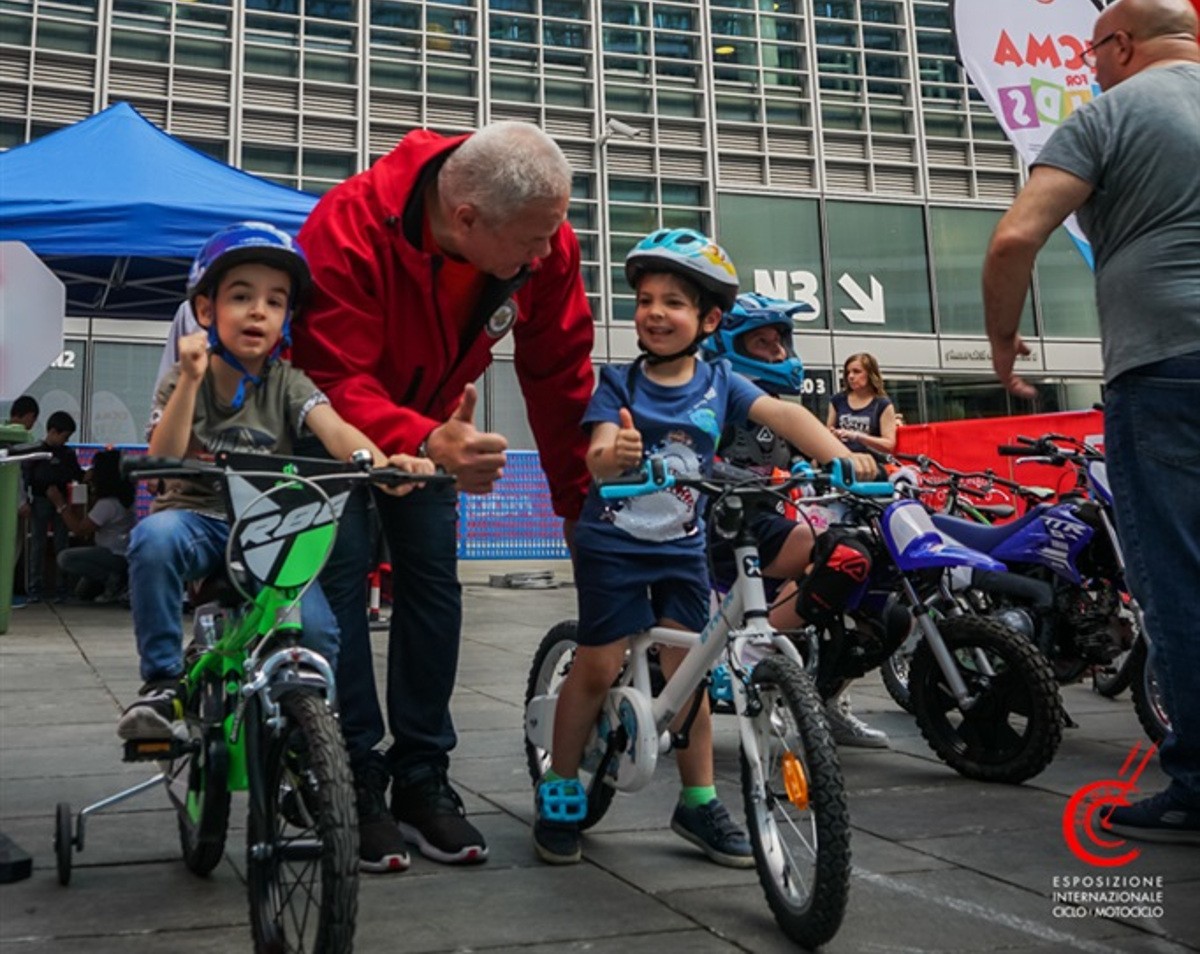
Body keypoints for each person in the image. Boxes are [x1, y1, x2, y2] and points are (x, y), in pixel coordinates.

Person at [291, 120, 594, 873]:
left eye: (549, 238)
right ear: (465, 219)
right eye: (529, 243)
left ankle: (421, 776)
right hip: (334, 431)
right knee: (341, 580)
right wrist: (424, 439)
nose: (543, 255)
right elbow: (332, 371)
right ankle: (353, 771)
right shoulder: (347, 226)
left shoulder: (540, 237)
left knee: (433, 588)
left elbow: (559, 372)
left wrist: (580, 505)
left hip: (432, 428)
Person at [532, 229, 876, 866]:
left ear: (709, 319)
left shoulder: (721, 382)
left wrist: (841, 455)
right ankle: (558, 783)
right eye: (645, 299)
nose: (655, 312)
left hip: (681, 544)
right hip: (613, 541)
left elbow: (786, 416)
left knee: (684, 663)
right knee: (601, 661)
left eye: (674, 302)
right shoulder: (619, 385)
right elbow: (598, 453)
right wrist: (617, 455)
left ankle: (696, 801)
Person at [982, 0, 1200, 843]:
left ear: (1121, 45)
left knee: (1180, 578)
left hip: (1167, 369)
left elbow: (1013, 240)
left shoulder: (1112, 113)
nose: (1089, 70)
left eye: (1091, 54)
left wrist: (1004, 346)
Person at [117, 221, 433, 741]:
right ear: (205, 311)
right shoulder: (184, 376)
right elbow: (162, 455)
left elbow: (336, 431)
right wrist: (191, 380)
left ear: (287, 317)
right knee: (153, 539)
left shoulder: (289, 383)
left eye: (275, 301)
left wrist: (383, 465)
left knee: (317, 629)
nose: (258, 311)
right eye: (241, 296)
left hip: (268, 532)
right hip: (196, 520)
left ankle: (308, 743)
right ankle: (162, 682)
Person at [702, 295, 890, 748]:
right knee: (839, 555)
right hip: (721, 529)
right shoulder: (717, 388)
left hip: (763, 524)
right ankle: (746, 650)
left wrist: (850, 466)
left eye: (780, 341)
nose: (779, 353)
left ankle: (823, 701)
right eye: (763, 342)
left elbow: (802, 433)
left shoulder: (769, 399)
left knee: (884, 604)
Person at [46, 449, 136, 603]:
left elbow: (80, 529)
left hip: (112, 555)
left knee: (65, 558)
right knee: (82, 592)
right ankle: (114, 581)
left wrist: (60, 504)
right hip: (120, 554)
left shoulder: (107, 505)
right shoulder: (124, 499)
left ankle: (113, 580)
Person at [22, 410, 83, 602]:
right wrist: (26, 501)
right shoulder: (37, 452)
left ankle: (62, 587)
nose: (65, 441)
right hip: (40, 500)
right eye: (64, 437)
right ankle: (35, 586)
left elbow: (78, 475)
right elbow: (26, 479)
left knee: (61, 544)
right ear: (53, 431)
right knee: (37, 545)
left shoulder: (67, 454)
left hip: (61, 501)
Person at [826, 353, 897, 456]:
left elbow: (889, 445)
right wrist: (832, 434)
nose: (850, 376)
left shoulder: (882, 404)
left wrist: (857, 436)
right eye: (847, 372)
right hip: (842, 461)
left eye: (856, 372)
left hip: (871, 464)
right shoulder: (837, 400)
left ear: (870, 374)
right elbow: (827, 434)